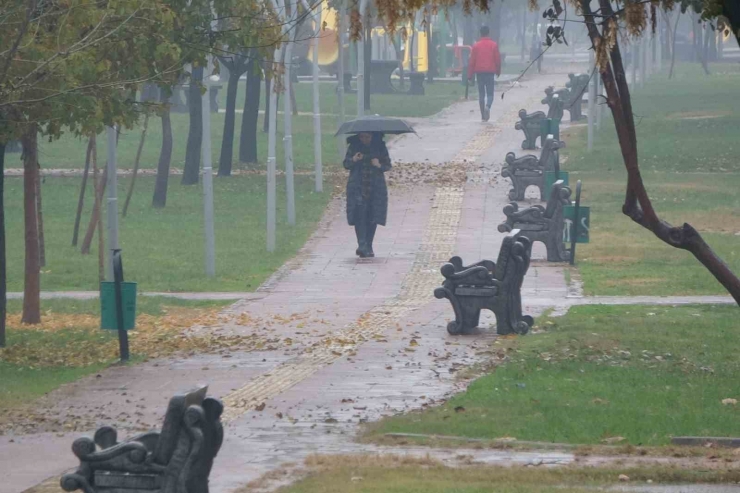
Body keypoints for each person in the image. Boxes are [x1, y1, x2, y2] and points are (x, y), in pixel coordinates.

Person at [343, 132, 392, 258]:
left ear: (372, 136)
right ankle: (362, 244)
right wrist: (354, 159)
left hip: (375, 187)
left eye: (368, 137)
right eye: (362, 137)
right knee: (360, 215)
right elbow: (346, 164)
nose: (365, 139)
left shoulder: (380, 146)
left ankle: (369, 245)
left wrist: (378, 165)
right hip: (358, 187)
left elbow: (387, 165)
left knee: (372, 216)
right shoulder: (354, 146)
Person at [467, 25, 502, 122]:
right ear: (488, 33)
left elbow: (472, 61)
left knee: (481, 93)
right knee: (490, 93)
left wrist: (470, 75)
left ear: (480, 33)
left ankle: (483, 116)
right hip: (490, 72)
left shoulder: (476, 46)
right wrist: (498, 71)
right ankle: (488, 106)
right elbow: (497, 60)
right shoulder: (493, 45)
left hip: (479, 72)